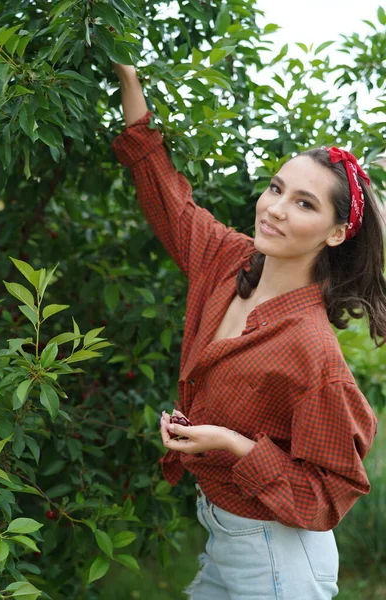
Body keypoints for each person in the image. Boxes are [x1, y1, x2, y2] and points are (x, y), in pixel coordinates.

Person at [111, 62, 385, 600]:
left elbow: (330, 493)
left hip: (277, 554)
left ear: (335, 233)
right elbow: (166, 195)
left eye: (303, 204)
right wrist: (128, 78)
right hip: (226, 536)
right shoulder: (227, 260)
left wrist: (235, 446)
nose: (275, 210)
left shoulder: (310, 350)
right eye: (276, 188)